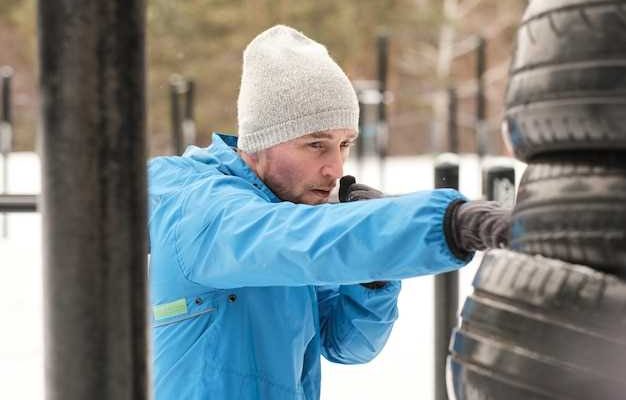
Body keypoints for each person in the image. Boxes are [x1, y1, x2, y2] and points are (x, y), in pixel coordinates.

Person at [148, 25, 510, 400]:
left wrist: (372, 274)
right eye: (316, 144)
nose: (335, 169)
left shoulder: (285, 206)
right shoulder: (201, 211)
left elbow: (346, 345)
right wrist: (450, 222)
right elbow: (298, 239)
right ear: (257, 146)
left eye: (344, 145)